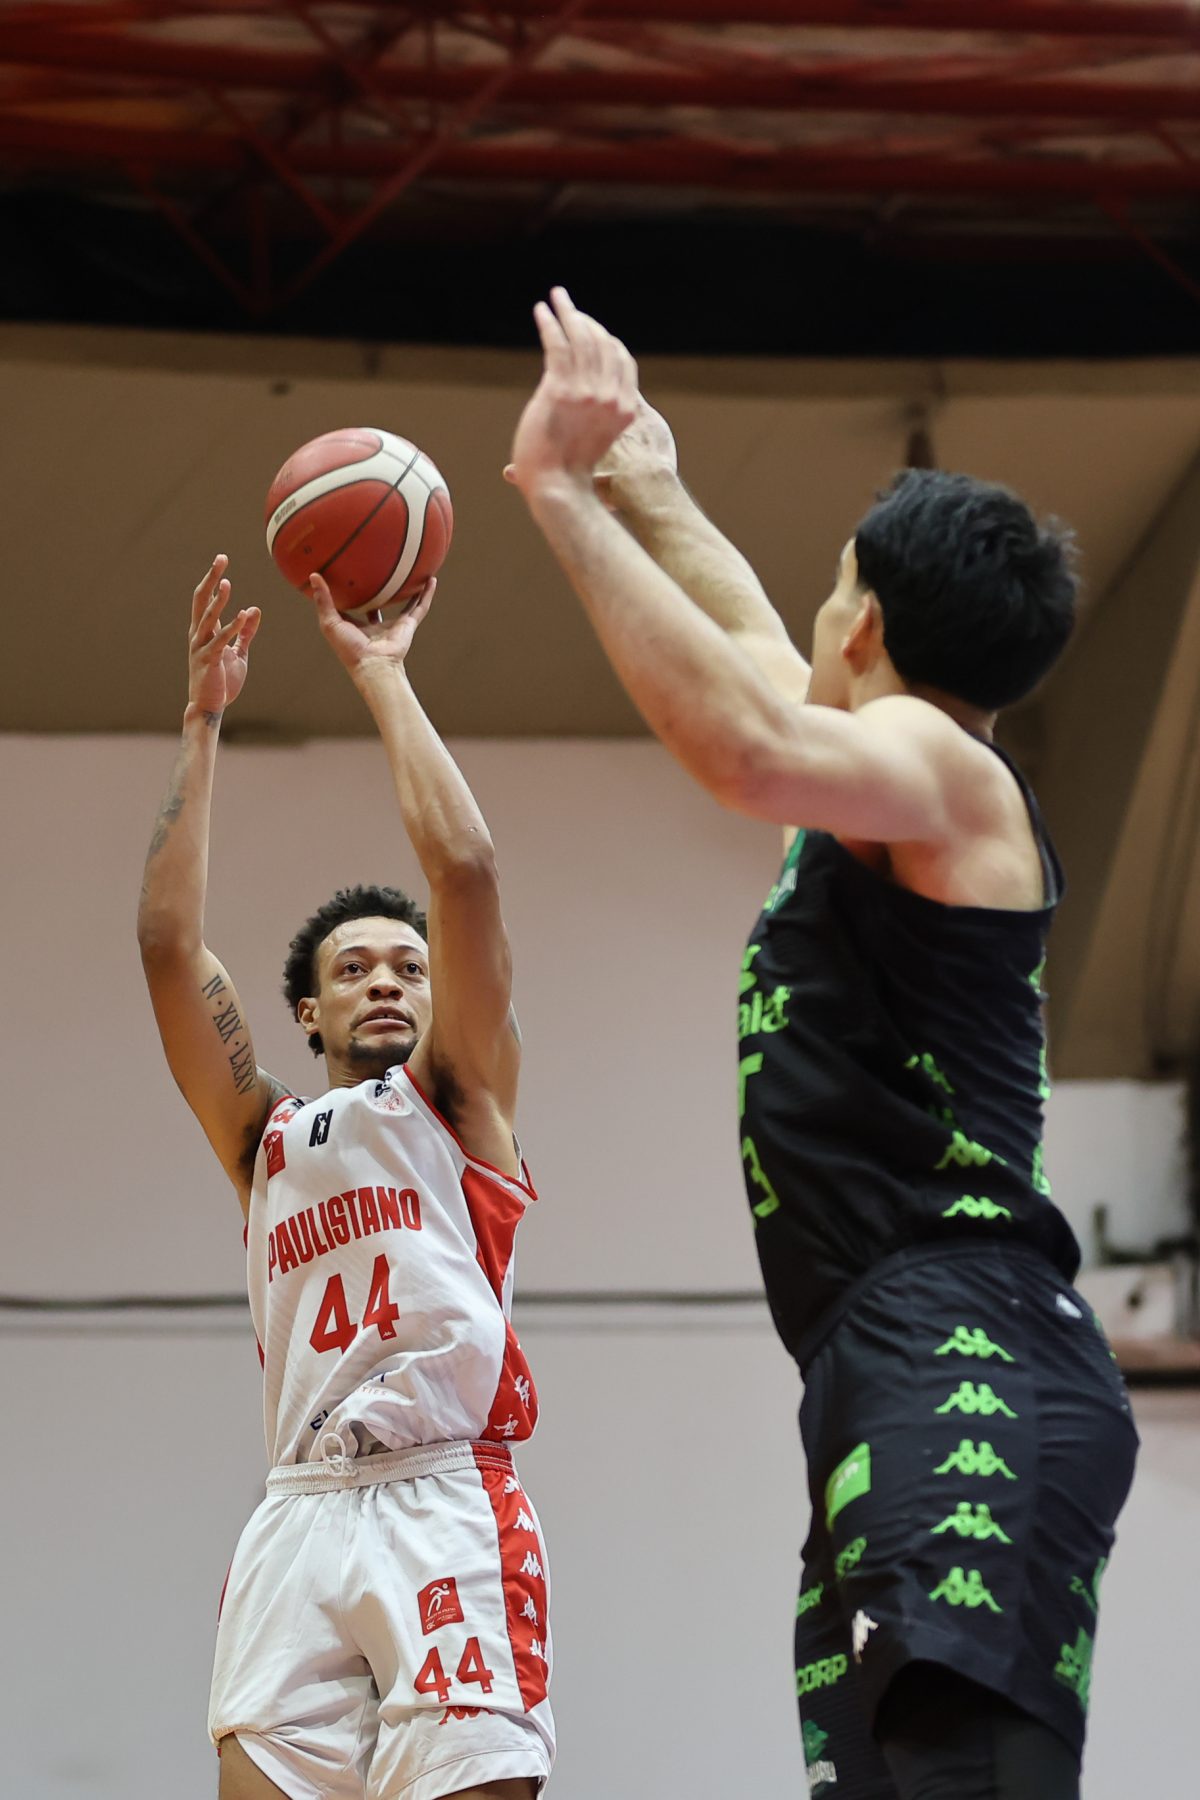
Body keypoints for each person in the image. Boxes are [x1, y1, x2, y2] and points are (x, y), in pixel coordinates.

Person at [507, 288, 1137, 1800]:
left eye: (831, 587)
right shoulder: (894, 769)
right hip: (886, 1356)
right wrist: (649, 483)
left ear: (859, 624)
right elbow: (744, 646)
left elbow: (743, 742)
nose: (804, 613)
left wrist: (558, 495)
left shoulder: (938, 765)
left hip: (961, 1341)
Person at [137, 557, 552, 1800]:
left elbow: (467, 874)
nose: (386, 980)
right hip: (300, 1508)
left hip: (443, 1494)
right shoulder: (263, 1137)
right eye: (355, 968)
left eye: (409, 968)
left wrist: (382, 674)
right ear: (308, 1012)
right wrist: (202, 720)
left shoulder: (459, 1096)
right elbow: (165, 946)